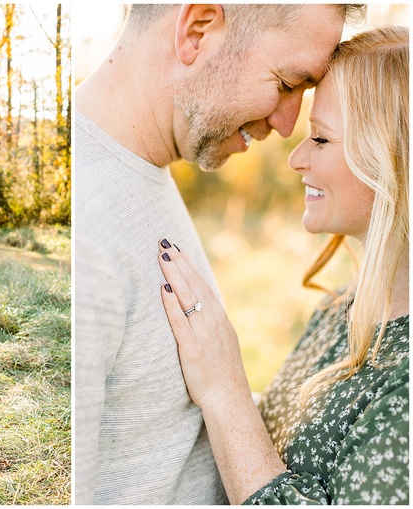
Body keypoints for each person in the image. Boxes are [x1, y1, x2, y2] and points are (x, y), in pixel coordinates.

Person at [74, 4, 365, 504]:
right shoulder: (85, 235)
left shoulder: (144, 168)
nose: (289, 122)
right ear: (198, 30)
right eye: (287, 83)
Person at [158, 26, 408, 504]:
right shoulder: (344, 308)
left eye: (320, 138)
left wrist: (225, 389)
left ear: (393, 158)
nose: (295, 158)